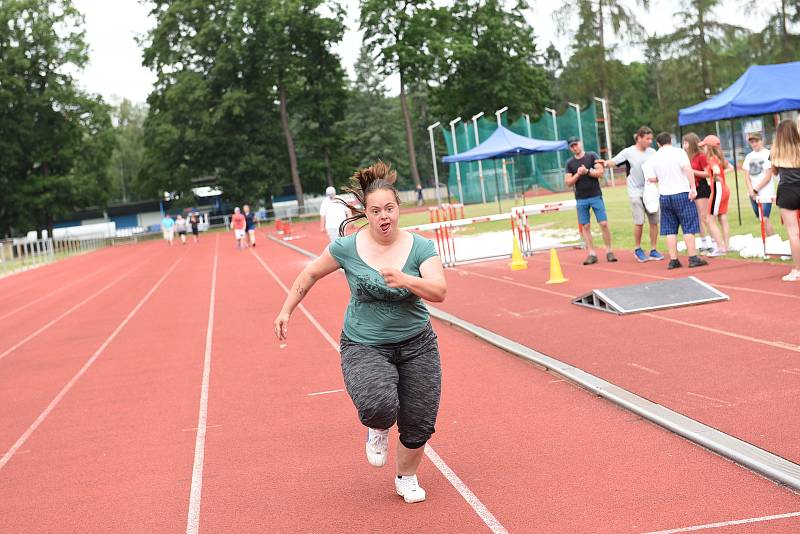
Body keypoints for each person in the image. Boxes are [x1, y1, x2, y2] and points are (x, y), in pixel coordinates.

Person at [274, 161, 447, 504]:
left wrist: (406, 280)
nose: (384, 216)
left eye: (390, 209)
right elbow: (309, 275)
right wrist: (286, 309)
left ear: (399, 209)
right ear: (365, 213)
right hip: (364, 344)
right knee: (378, 405)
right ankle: (377, 428)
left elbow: (439, 290)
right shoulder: (346, 248)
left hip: (417, 344)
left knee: (420, 421)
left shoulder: (421, 247)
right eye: (376, 210)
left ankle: (406, 477)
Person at [642, 132, 708, 269]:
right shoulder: (679, 152)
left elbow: (653, 178)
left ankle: (673, 259)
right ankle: (693, 257)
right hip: (682, 192)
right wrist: (692, 187)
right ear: (670, 141)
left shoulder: (655, 157)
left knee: (670, 229)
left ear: (658, 143)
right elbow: (687, 169)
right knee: (688, 226)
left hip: (665, 195)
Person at [599, 126, 664, 262]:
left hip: (650, 191)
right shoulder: (628, 152)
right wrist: (604, 163)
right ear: (639, 138)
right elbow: (613, 162)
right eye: (647, 139)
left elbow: (660, 169)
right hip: (635, 191)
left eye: (651, 139)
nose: (650, 141)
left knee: (654, 221)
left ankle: (653, 249)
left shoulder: (653, 152)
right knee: (639, 221)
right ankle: (638, 249)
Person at [564, 136, 617, 264]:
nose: (575, 147)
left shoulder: (592, 156)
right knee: (585, 226)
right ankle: (591, 253)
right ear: (570, 148)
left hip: (595, 195)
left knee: (603, 223)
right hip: (581, 198)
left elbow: (600, 172)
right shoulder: (569, 163)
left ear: (580, 143)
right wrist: (578, 173)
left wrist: (587, 171)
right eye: (572, 146)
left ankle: (609, 251)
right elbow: (568, 182)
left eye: (576, 144)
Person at [765, 119, 800, 281]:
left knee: (793, 232)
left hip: (787, 190)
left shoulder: (776, 151)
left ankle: (798, 270)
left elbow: (774, 172)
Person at [700, 135, 732, 255]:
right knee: (722, 217)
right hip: (724, 189)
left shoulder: (711, 158)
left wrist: (714, 177)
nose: (703, 148)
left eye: (704, 146)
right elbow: (731, 168)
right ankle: (726, 246)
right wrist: (720, 174)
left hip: (718, 189)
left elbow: (717, 171)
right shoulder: (720, 157)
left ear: (708, 147)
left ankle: (720, 247)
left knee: (709, 219)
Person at [683, 133, 715, 254]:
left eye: (686, 143)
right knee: (697, 218)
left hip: (701, 187)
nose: (684, 145)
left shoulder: (701, 156)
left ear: (691, 143)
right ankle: (704, 242)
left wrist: (692, 171)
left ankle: (714, 242)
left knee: (704, 217)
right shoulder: (686, 157)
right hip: (692, 188)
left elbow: (708, 173)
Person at [742, 132, 776, 236]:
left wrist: (756, 189)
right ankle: (771, 241)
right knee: (761, 219)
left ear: (761, 141)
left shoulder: (768, 154)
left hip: (765, 192)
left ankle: (774, 241)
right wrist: (751, 190)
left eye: (756, 141)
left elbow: (768, 175)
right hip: (753, 193)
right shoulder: (748, 157)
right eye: (751, 142)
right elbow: (746, 176)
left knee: (765, 219)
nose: (754, 144)